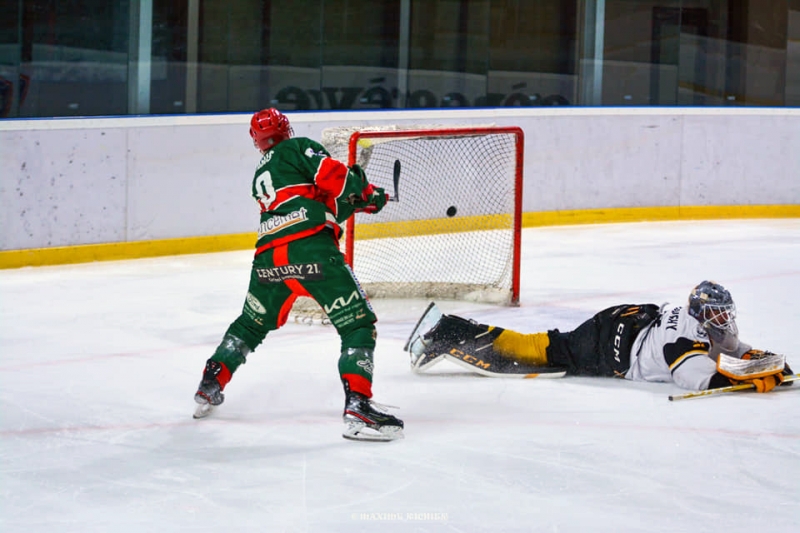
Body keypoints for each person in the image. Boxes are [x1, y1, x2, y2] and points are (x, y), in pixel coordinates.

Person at [193, 108, 403, 441]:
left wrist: (363, 201)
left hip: (269, 261)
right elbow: (334, 177)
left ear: (257, 141)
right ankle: (358, 404)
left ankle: (209, 383)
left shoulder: (262, 173)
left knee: (250, 325)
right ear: (286, 129)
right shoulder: (297, 147)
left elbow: (317, 204)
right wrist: (363, 189)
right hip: (311, 251)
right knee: (357, 325)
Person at [406, 280, 793, 392]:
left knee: (546, 344)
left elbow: (736, 350)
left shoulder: (696, 321)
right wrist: (742, 380)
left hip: (626, 323)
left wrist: (765, 361)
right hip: (608, 344)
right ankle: (448, 331)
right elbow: (696, 378)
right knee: (539, 350)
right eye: (716, 313)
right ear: (700, 313)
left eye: (725, 313)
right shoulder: (684, 338)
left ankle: (450, 328)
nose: (722, 319)